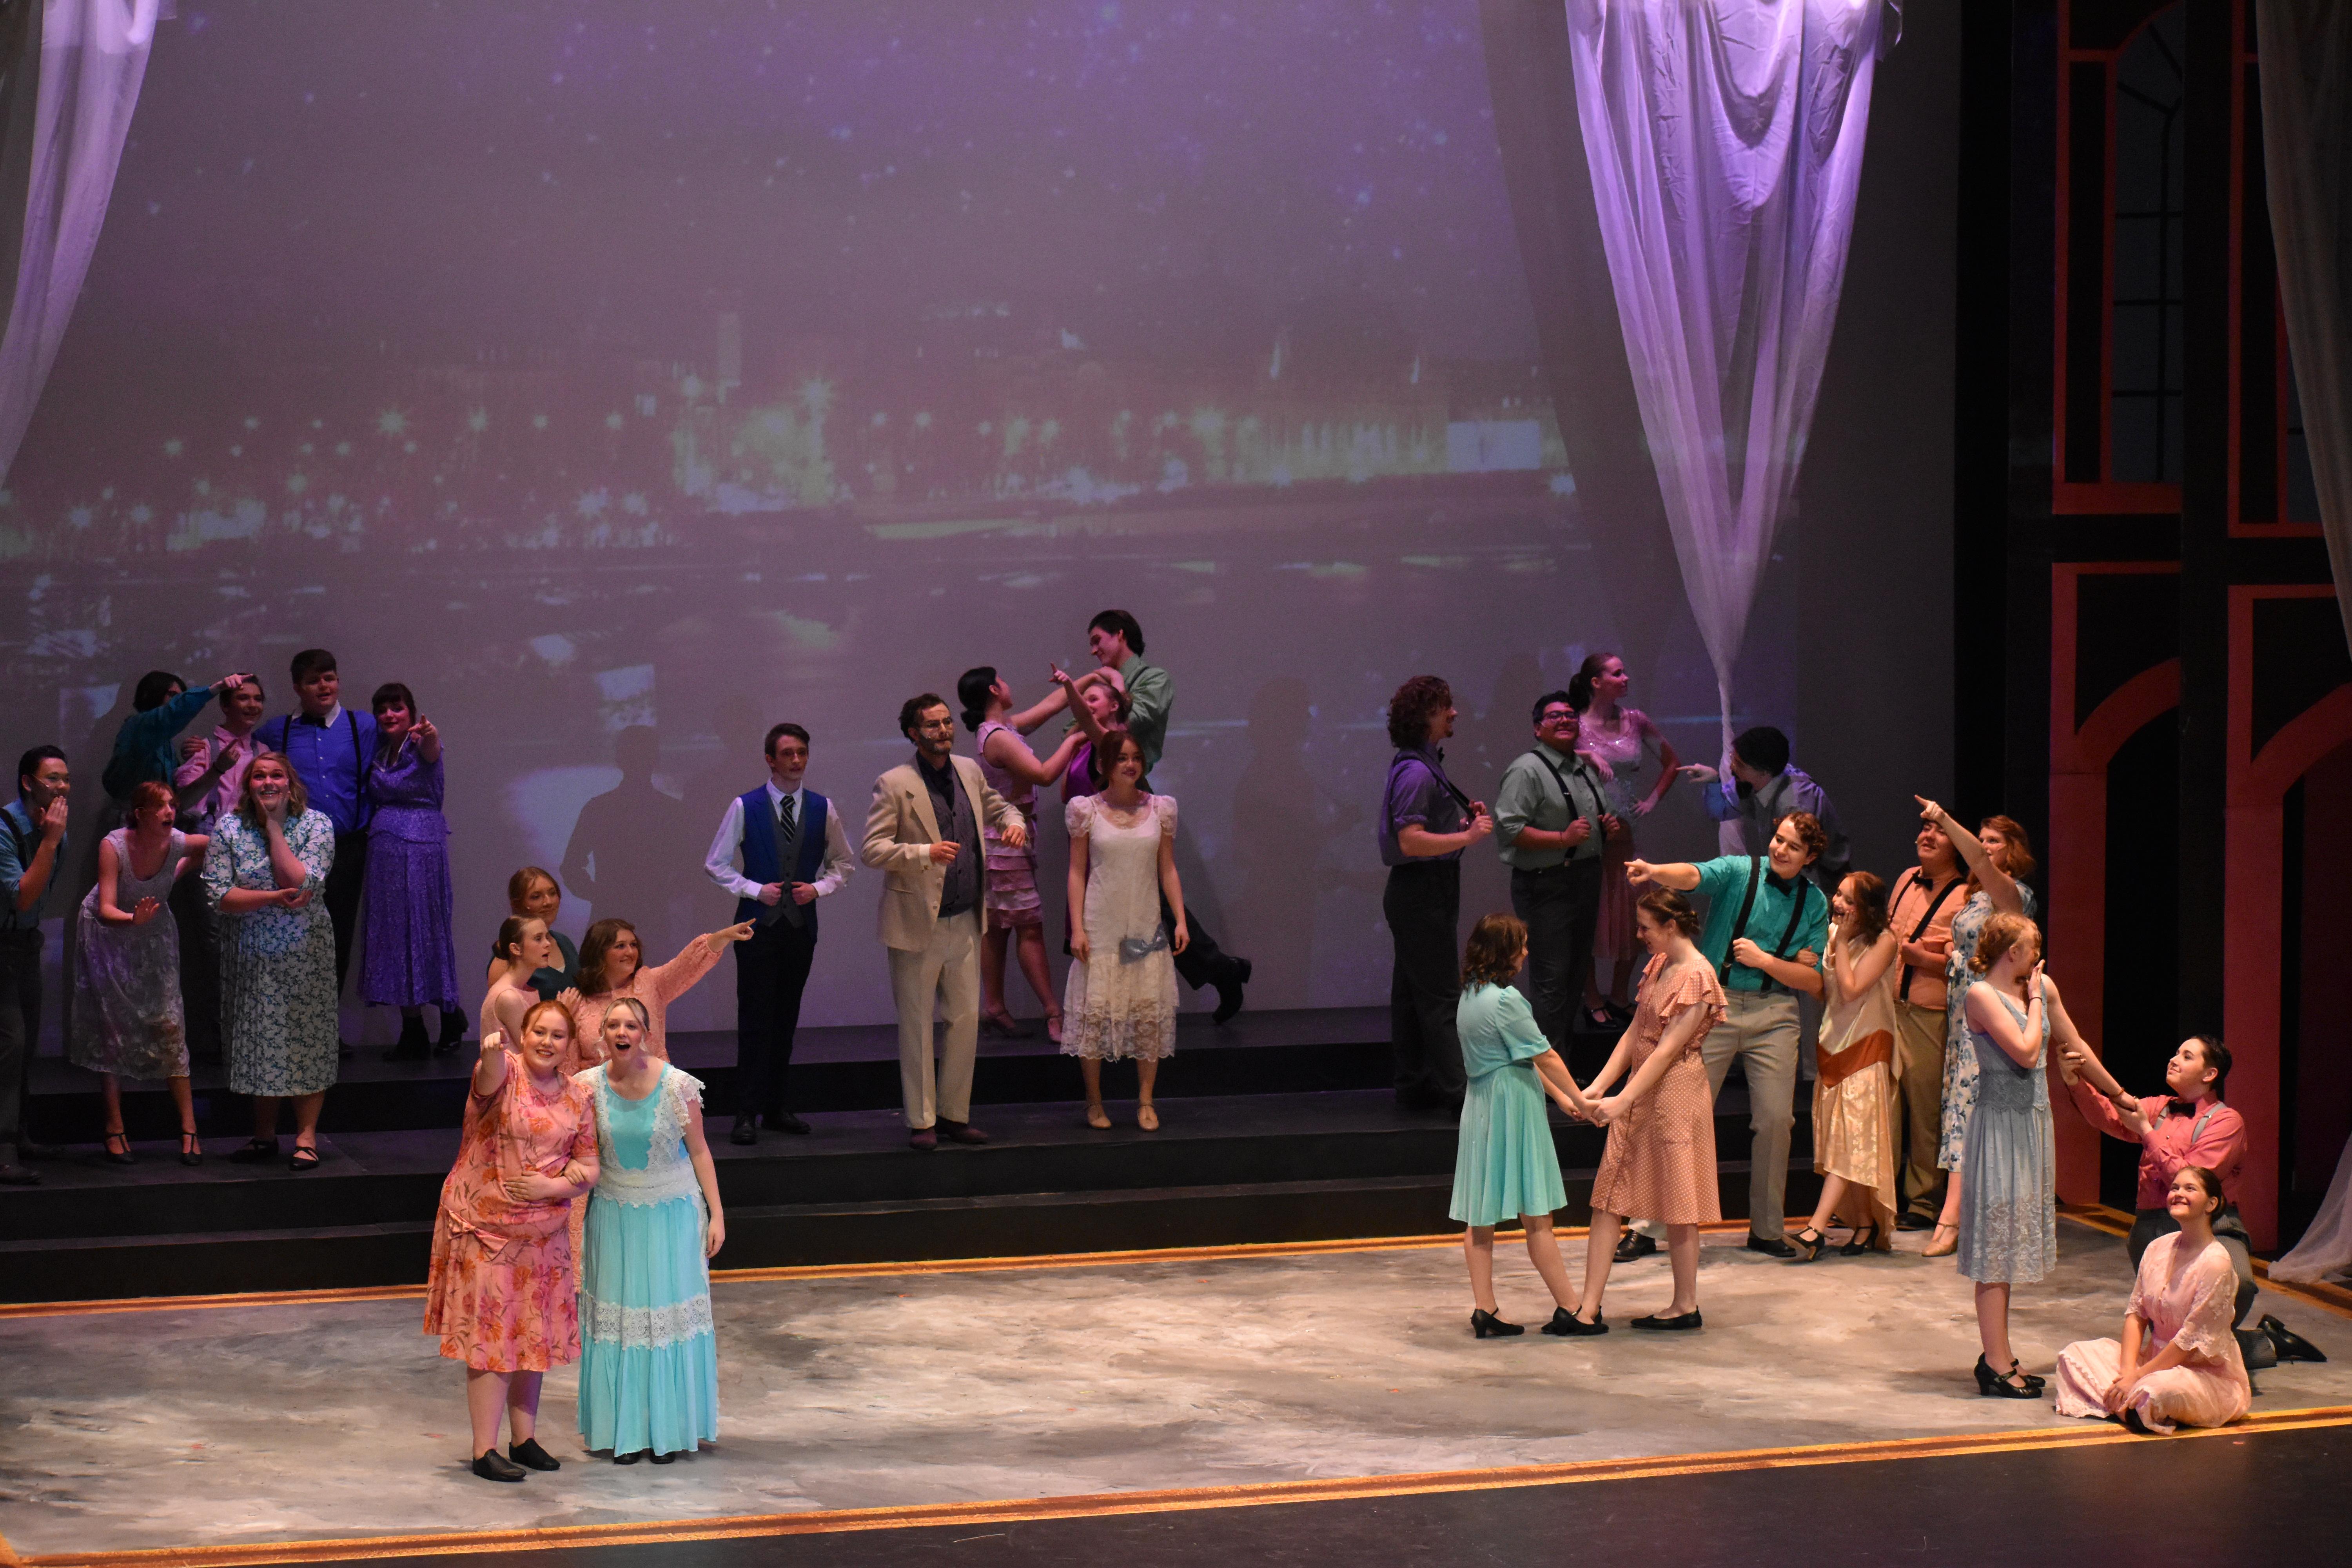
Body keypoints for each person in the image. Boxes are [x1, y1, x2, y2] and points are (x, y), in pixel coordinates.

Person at [1624, 811, 1832, 1256]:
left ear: (1810, 857)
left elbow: (1813, 982)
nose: (1780, 849)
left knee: (1776, 1121)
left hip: (1775, 1012)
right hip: (1713, 1005)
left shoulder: (1815, 902)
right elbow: (1695, 875)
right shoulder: (1742, 871)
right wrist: (1654, 870)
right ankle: (1647, 1226)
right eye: (1779, 839)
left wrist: (1768, 962)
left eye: (1793, 846)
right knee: (1679, 1112)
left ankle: (1767, 1229)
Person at [423, 998, 599, 1483]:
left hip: (543, 1237)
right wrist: (492, 1052)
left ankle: (524, 1439)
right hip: (487, 1231)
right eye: (539, 1032)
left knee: (532, 1334)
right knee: (493, 1338)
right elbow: (487, 1078)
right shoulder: (504, 1072)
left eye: (558, 1035)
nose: (547, 1042)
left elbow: (589, 1165)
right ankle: (484, 1449)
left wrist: (553, 1186)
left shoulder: (579, 1096)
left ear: (569, 1044)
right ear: (524, 1034)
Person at [861, 693, 1029, 1151]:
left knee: (965, 1021)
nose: (944, 731)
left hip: (966, 918)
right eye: (933, 725)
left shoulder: (969, 771)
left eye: (947, 722)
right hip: (918, 923)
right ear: (913, 733)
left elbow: (1002, 807)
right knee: (917, 1024)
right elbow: (872, 849)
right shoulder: (894, 783)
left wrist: (1014, 822)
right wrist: (924, 853)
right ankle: (922, 1121)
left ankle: (956, 1114)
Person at [1563, 889, 1727, 1333]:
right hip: (1640, 1090)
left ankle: (1685, 1304)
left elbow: (1667, 1051)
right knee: (1608, 1194)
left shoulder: (1698, 975)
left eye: (1645, 927)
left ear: (1671, 927)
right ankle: (1588, 1308)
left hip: (1675, 1094)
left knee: (1679, 1200)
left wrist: (1622, 1099)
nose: (1639, 935)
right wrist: (1599, 1086)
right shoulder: (1660, 964)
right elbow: (1636, 1033)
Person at [575, 997, 726, 1465]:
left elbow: (700, 1151)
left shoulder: (678, 1086)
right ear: (603, 1034)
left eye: (631, 1025)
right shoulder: (586, 1087)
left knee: (665, 1318)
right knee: (621, 1320)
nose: (622, 1033)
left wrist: (717, 1214)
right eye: (614, 1025)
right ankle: (626, 1432)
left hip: (671, 1218)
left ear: (646, 1033)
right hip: (614, 1217)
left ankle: (669, 1430)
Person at [1082, 609, 1251, 1022]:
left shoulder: (1153, 679)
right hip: (1097, 792)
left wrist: (1112, 692)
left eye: (1098, 639)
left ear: (1121, 635)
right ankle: (1219, 969)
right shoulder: (1098, 685)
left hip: (1133, 795)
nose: (1093, 650)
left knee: (1148, 899)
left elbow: (1127, 725)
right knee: (1121, 899)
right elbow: (1076, 724)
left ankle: (1217, 970)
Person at [2054, 1033, 2267, 1341]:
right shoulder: (2159, 1107)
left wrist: (2145, 1131)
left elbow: (2190, 1182)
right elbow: (2110, 1115)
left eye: (2187, 1056)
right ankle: (2252, 1345)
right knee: (2168, 1319)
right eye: (2176, 1053)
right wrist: (2074, 1080)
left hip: (2212, 1224)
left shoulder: (2226, 1121)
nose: (2174, 1060)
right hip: (2155, 1223)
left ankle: (2238, 1346)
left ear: (2210, 1074)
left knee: (2240, 1283)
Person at [702, 721, 855, 1143]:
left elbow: (844, 863)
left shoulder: (823, 807)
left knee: (786, 1019)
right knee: (755, 1019)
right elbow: (716, 863)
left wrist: (819, 888)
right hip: (757, 928)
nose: (796, 760)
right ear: (770, 759)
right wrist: (755, 889)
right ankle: (746, 1111)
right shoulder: (745, 806)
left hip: (800, 928)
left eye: (802, 752)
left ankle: (775, 1108)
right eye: (788, 753)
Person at [1450, 913, 1590, 1338]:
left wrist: (1561, 1098)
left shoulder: (1471, 996)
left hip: (1481, 1106)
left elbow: (1517, 1055)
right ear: (1504, 951)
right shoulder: (1505, 1000)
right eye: (1522, 945)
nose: (1527, 952)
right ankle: (1571, 1307)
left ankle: (1485, 1308)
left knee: (1480, 1218)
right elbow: (1545, 1055)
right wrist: (1581, 1099)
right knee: (1537, 1215)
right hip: (1512, 1106)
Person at [204, 752, 339, 1172]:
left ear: (291, 783)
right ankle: (264, 1135)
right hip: (250, 952)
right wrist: (271, 899)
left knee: (305, 1038)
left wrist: (274, 828)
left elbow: (298, 882)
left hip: (305, 953)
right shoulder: (229, 827)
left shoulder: (317, 825)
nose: (268, 782)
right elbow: (219, 895)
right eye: (259, 776)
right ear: (248, 786)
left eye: (276, 775)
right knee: (260, 1041)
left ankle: (306, 1137)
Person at [1916, 801, 2037, 1258]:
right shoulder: (1976, 898)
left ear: (2012, 850)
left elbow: (1984, 869)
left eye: (1994, 841)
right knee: (1959, 1108)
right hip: (1961, 1014)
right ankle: (1968, 1216)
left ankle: (1953, 1218)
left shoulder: (2015, 895)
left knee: (1970, 1111)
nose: (1984, 848)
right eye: (1981, 839)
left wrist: (1944, 819)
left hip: (1992, 1016)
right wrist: (1951, 953)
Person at [67, 782, 209, 1165]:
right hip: (108, 934)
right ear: (140, 813)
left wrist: (173, 874)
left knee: (169, 1024)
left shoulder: (177, 841)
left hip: (154, 934)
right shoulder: (113, 845)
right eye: (160, 806)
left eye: (173, 805)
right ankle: (114, 1128)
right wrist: (134, 919)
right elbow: (107, 907)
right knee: (112, 1029)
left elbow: (215, 846)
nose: (169, 812)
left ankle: (189, 1128)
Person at [2052, 1165, 2252, 1434]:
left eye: (2190, 1189)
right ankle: (2131, 1407)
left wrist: (2138, 1377)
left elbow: (2187, 1342)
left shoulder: (2216, 1263)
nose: (2178, 1194)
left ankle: (2130, 1404)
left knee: (2156, 1391)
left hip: (2199, 1375)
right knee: (2074, 1354)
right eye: (2175, 1188)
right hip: (2151, 1363)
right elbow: (2136, 1314)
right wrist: (2127, 1373)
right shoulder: (2158, 1247)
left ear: (2211, 1204)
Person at [1955, 912, 2058, 1397]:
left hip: (2031, 1125)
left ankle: (2002, 1354)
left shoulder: (2035, 990)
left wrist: (2120, 1096)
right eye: (2033, 947)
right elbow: (2026, 1051)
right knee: (1996, 1249)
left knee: (2011, 1246)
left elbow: (2071, 1042)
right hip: (1999, 1130)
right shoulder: (1982, 994)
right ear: (2012, 952)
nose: (2039, 957)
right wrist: (2036, 999)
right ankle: (1995, 1363)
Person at [1063, 729, 1186, 1130]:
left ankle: (1146, 1101)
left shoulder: (1161, 809)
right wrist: (1077, 928)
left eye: (1135, 757)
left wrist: (1181, 920)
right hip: (1101, 925)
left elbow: (1168, 869)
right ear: (1105, 765)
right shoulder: (1086, 810)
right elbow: (1077, 872)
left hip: (1145, 924)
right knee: (1096, 1014)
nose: (1130, 765)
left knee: (1148, 1013)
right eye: (1121, 758)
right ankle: (1094, 1102)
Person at [1380, 676, 1493, 1111]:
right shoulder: (1416, 771)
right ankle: (1459, 1093)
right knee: (1442, 995)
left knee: (1412, 995)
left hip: (1422, 889)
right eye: (1446, 706)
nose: (1454, 712)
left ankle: (1414, 1084)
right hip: (1422, 891)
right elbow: (1411, 841)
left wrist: (1456, 828)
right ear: (1426, 715)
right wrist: (1468, 837)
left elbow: (1420, 836)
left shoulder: (1419, 765)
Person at [960, 666, 1087, 1043]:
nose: (1009, 684)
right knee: (1028, 927)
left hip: (1004, 842)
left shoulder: (1003, 728)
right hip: (1004, 846)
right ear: (994, 689)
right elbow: (1044, 774)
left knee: (999, 927)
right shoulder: (998, 736)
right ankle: (1053, 1013)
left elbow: (1052, 705)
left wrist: (1090, 679)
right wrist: (1075, 739)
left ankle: (995, 1006)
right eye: (1003, 680)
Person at [1493, 690, 1617, 1055]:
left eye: (1570, 715)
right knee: (1552, 982)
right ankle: (1548, 1074)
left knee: (1575, 977)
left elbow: (1593, 822)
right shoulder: (1526, 770)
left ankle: (1562, 1067)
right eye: (1554, 716)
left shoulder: (1584, 768)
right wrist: (1563, 838)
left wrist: (1607, 829)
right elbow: (1509, 829)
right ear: (1537, 728)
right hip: (1547, 884)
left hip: (1585, 878)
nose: (1564, 720)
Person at [1789, 872, 1902, 1260]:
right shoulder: (1833, 935)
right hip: (1833, 1044)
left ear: (1868, 909)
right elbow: (1827, 991)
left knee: (1849, 1139)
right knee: (1844, 1139)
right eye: (1838, 894)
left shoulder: (1884, 941)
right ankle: (1865, 1224)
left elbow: (1853, 990)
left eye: (1849, 900)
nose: (1838, 903)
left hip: (1867, 1046)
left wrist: (1837, 943)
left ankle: (1816, 1228)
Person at [256, 650, 378, 1000]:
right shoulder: (277, 731)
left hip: (348, 849)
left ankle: (327, 1023)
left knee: (339, 936)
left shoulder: (363, 726)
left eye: (329, 678)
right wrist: (200, 750)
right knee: (293, 935)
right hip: (295, 851)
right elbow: (243, 752)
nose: (324, 686)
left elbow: (400, 750)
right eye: (313, 681)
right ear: (297, 687)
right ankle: (293, 1020)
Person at [1572, 653, 1679, 1025]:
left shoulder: (1636, 720)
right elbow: (1552, 757)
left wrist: (1650, 801)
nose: (1626, 678)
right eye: (1617, 673)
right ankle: (1591, 995)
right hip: (1589, 833)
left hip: (1628, 831)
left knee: (1632, 914)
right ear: (1596, 682)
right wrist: (1585, 754)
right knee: (1589, 914)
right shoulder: (1575, 724)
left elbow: (1672, 762)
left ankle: (1619, 994)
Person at [362, 684, 465, 1059]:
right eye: (383, 710)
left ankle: (451, 1016)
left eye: (397, 708)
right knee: (395, 938)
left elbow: (433, 750)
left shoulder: (422, 744)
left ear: (411, 712)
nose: (390, 715)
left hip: (421, 852)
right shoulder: (381, 753)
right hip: (385, 855)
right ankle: (413, 1030)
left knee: (426, 931)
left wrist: (431, 736)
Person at [173, 674, 268, 1062]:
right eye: (243, 698)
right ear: (226, 706)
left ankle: (249, 1035)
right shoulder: (205, 748)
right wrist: (216, 768)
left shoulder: (264, 751)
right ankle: (220, 1038)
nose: (252, 705)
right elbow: (183, 803)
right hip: (211, 853)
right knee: (215, 947)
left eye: (258, 699)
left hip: (255, 857)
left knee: (251, 945)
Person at [1885, 811, 1966, 1230]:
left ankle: (1923, 1201)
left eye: (1940, 831)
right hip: (1889, 1008)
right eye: (1925, 829)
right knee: (1885, 1105)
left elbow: (1969, 964)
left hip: (1929, 1015)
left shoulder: (1967, 895)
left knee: (1925, 1111)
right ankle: (1881, 1198)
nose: (1928, 836)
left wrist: (1925, 959)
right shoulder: (1905, 879)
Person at [0, 746, 70, 1183]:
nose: (63, 787)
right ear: (28, 782)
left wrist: (51, 838)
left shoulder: (55, 828)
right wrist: (49, 841)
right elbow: (23, 896)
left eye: (66, 779)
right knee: (10, 1046)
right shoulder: (5, 828)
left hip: (26, 945)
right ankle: (3, 1148)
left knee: (25, 1049)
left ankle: (19, 1135)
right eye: (53, 779)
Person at [570, 917, 754, 1074]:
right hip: (597, 1098)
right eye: (620, 946)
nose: (631, 952)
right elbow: (570, 1063)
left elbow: (688, 964)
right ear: (598, 953)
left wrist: (723, 936)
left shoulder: (651, 983)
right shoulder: (577, 1001)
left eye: (633, 945)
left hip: (654, 1093)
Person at [1679, 725, 1850, 884]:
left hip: (1821, 886)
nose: (1732, 767)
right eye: (1733, 758)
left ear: (1764, 772)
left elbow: (1803, 870)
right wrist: (1713, 780)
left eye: (1740, 764)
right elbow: (1720, 811)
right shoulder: (1753, 781)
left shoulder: (1794, 806)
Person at [101, 669, 251, 811]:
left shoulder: (166, 744)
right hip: (128, 823)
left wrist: (186, 761)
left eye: (181, 697)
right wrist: (214, 689)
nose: (178, 702)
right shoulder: (137, 726)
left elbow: (175, 797)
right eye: (173, 695)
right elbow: (170, 714)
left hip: (152, 822)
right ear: (151, 694)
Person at [485, 867, 580, 1003]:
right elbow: (500, 1009)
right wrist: (561, 1012)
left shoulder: (564, 942)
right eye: (536, 897)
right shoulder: (505, 956)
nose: (548, 902)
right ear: (517, 905)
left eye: (553, 893)